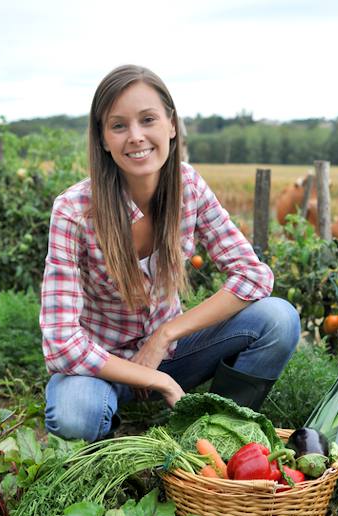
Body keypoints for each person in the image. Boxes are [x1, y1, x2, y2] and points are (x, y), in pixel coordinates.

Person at [40, 65, 300, 442]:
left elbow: (254, 276)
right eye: (118, 126)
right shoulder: (74, 210)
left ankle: (209, 433)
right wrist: (153, 377)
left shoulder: (188, 187)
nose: (136, 137)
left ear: (172, 125)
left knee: (279, 318)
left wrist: (165, 334)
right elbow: (62, 343)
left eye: (148, 120)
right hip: (100, 368)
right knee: (77, 414)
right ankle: (112, 446)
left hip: (175, 354)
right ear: (102, 139)